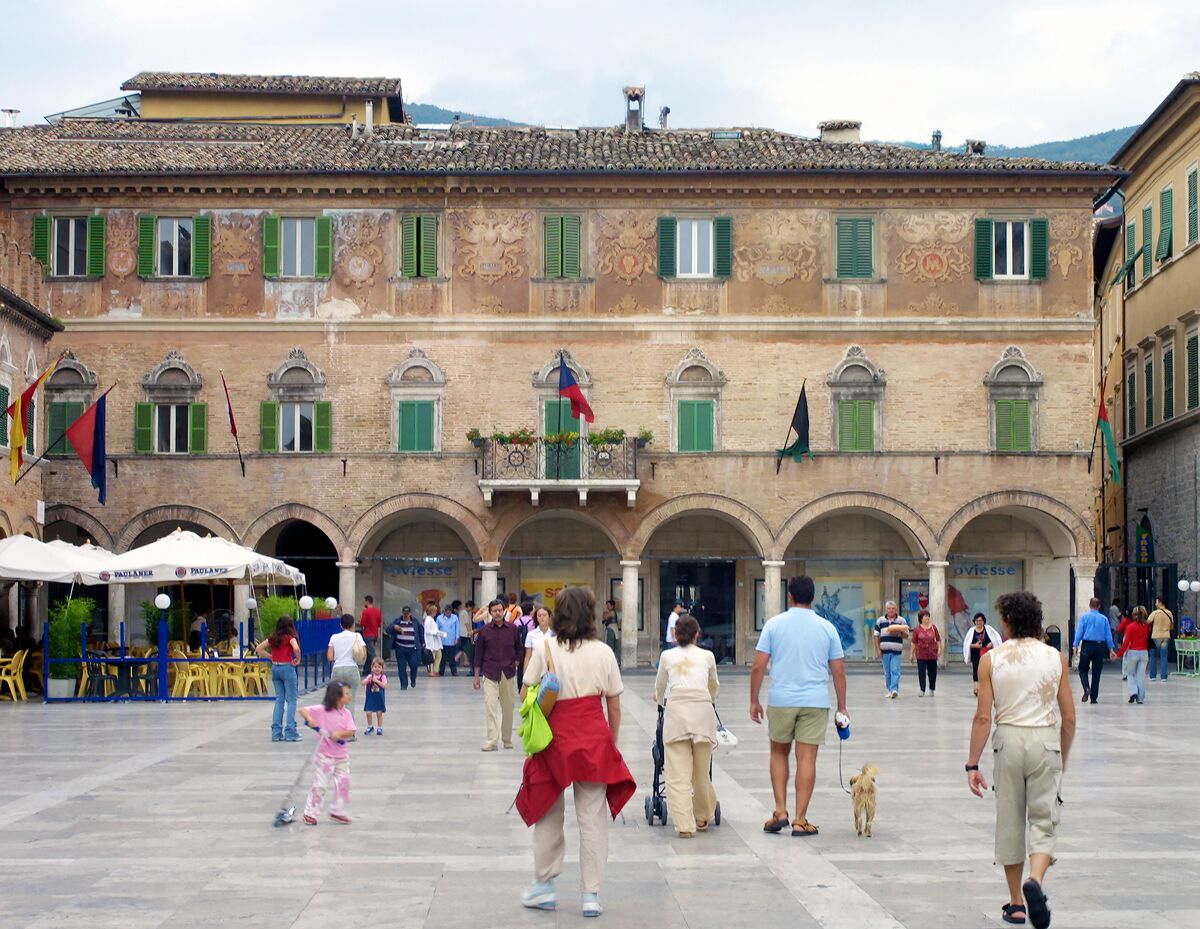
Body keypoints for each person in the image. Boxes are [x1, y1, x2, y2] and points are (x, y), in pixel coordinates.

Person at [517, 586, 634, 917]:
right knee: (592, 817)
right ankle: (590, 894)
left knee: (549, 813)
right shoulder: (603, 652)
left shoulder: (545, 647)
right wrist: (611, 741)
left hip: (554, 739)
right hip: (593, 737)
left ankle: (544, 885)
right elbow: (614, 704)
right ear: (591, 615)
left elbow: (526, 690)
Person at [967, 591, 1075, 929]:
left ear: (1009, 620)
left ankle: (1016, 903)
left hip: (1008, 740)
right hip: (1044, 739)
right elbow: (1069, 718)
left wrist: (972, 763)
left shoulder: (991, 659)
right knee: (1044, 819)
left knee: (1010, 819)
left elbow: (983, 717)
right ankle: (1036, 881)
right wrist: (1063, 754)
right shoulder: (1056, 658)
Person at [750, 575, 848, 838]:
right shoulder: (827, 627)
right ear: (812, 597)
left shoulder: (774, 624)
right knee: (807, 758)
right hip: (815, 701)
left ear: (790, 596)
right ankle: (800, 819)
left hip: (781, 699)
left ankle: (780, 810)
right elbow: (838, 671)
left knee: (779, 753)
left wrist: (754, 700)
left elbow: (759, 665)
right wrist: (843, 706)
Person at [654, 614, 719, 838]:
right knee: (701, 772)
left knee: (677, 774)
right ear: (697, 635)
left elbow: (660, 685)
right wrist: (710, 699)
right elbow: (713, 684)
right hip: (702, 713)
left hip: (677, 714)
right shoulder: (707, 656)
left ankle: (684, 825)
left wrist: (659, 698)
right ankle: (702, 815)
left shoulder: (666, 656)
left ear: (675, 634)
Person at [298, 680, 357, 825]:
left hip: (342, 757)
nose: (350, 696)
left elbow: (351, 731)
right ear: (336, 696)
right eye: (346, 693)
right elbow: (302, 710)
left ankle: (337, 811)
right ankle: (310, 813)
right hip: (325, 757)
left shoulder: (347, 713)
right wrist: (310, 719)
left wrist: (339, 734)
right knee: (320, 785)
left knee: (344, 783)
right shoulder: (321, 710)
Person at [474, 598, 525, 751]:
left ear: (504, 611)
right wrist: (476, 677)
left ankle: (507, 739)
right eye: (494, 611)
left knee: (508, 707)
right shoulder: (484, 631)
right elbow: (478, 655)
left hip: (508, 673)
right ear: (490, 613)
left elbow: (519, 649)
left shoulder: (513, 629)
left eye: (499, 610)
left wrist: (515, 663)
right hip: (489, 672)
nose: (497, 613)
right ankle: (492, 740)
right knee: (490, 706)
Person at [255, 616, 301, 742]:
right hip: (287, 667)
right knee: (291, 700)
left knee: (279, 700)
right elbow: (296, 648)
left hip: (275, 668)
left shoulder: (273, 638)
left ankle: (276, 733)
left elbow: (258, 648)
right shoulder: (290, 638)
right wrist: (297, 658)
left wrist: (271, 656)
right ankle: (290, 731)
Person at [1072, 597, 1116, 704]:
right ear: (1099, 606)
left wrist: (1075, 645)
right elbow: (1108, 635)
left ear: (1089, 605)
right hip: (1099, 646)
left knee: (1083, 669)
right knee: (1096, 672)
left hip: (1087, 645)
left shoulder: (1084, 617)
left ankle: (1086, 687)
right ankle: (1094, 698)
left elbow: (1079, 632)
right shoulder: (1104, 619)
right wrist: (1111, 649)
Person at [327, 614, 365, 717]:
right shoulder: (357, 636)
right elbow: (363, 656)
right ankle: (349, 729)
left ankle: (337, 727)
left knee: (337, 699)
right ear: (353, 625)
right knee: (350, 700)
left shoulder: (334, 637)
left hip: (337, 669)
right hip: (352, 668)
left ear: (341, 625)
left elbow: (330, 657)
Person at [874, 600, 909, 698]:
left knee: (895, 670)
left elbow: (906, 635)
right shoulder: (880, 621)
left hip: (896, 651)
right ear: (886, 609)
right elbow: (876, 635)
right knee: (887, 673)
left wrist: (899, 633)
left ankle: (894, 689)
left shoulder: (901, 621)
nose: (891, 610)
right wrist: (877, 649)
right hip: (884, 651)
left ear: (896, 609)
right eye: (889, 609)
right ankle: (890, 689)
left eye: (893, 608)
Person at [1116, 606, 1151, 704]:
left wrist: (1119, 654)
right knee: (1141, 676)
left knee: (1130, 674)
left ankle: (1133, 691)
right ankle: (1140, 698)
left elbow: (1126, 643)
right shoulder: (1147, 626)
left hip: (1133, 652)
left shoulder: (1130, 626)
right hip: (1144, 653)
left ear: (1134, 615)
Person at [963, 612, 1003, 696]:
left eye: (980, 621)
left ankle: (985, 686)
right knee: (976, 669)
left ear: (984, 621)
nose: (979, 622)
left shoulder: (989, 630)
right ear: (974, 621)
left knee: (987, 670)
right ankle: (976, 687)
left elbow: (995, 639)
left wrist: (991, 644)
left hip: (986, 653)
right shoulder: (971, 631)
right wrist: (975, 645)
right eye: (977, 621)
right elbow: (967, 644)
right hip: (975, 653)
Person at [910, 609, 942, 697]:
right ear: (921, 618)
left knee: (932, 672)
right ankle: (922, 689)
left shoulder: (933, 627)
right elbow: (914, 642)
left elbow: (938, 639)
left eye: (928, 616)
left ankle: (932, 688)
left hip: (932, 653)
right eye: (925, 616)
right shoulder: (917, 629)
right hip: (921, 654)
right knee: (921, 672)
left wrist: (939, 648)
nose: (927, 618)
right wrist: (911, 654)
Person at [391, 606, 424, 690]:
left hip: (412, 648)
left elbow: (420, 632)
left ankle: (413, 679)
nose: (406, 616)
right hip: (400, 648)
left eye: (407, 614)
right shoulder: (398, 621)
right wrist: (394, 627)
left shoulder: (415, 622)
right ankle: (404, 684)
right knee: (401, 667)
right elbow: (388, 629)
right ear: (402, 613)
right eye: (404, 614)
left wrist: (422, 642)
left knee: (414, 664)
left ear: (410, 614)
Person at [1147, 596, 1174, 682]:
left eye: (1156, 602)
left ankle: (1153, 675)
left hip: (1156, 636)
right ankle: (1163, 676)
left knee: (1153, 656)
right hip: (1165, 636)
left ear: (1160, 602)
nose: (1155, 604)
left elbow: (1148, 622)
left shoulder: (1155, 613)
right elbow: (1172, 625)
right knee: (1164, 657)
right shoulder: (1169, 613)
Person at [362, 657, 387, 735]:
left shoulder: (383, 677)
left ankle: (379, 727)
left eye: (379, 667)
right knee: (368, 712)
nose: (377, 669)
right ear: (372, 668)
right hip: (370, 697)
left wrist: (377, 681)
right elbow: (363, 683)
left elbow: (385, 685)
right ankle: (370, 726)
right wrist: (367, 681)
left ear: (382, 668)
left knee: (379, 713)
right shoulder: (370, 676)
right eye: (375, 667)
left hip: (379, 698)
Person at [359, 595, 383, 675]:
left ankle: (377, 668)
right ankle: (366, 671)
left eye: (364, 601)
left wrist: (360, 618)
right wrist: (378, 633)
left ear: (367, 601)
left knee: (372, 654)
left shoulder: (365, 611)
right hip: (375, 634)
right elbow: (379, 624)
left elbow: (362, 623)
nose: (363, 603)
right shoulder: (378, 611)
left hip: (367, 634)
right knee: (370, 653)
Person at [437, 603, 461, 676]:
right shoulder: (439, 618)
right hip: (442, 641)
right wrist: (439, 638)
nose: (448, 614)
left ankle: (454, 671)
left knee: (452, 658)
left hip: (452, 641)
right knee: (442, 658)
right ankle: (441, 671)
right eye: (447, 612)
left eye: (450, 612)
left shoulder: (455, 618)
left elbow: (457, 628)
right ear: (444, 611)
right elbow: (437, 630)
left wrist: (457, 638)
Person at [423, 601, 443, 677]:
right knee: (431, 658)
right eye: (435, 611)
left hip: (436, 642)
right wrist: (435, 632)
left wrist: (439, 633)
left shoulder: (432, 619)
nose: (436, 612)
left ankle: (436, 670)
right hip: (431, 642)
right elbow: (427, 631)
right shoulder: (428, 619)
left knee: (439, 656)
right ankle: (431, 671)